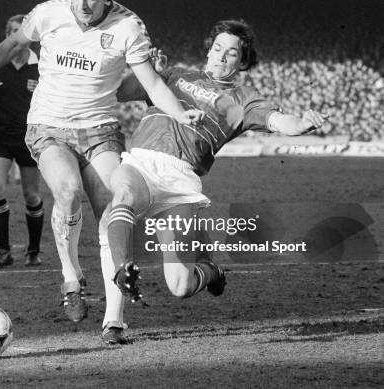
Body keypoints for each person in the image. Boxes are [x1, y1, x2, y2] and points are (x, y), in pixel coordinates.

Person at [0, 0, 203, 343]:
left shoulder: (128, 26)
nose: (81, 5)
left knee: (115, 209)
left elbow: (152, 83)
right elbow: (9, 47)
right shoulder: (48, 13)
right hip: (49, 127)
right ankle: (71, 280)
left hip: (100, 130)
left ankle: (114, 320)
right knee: (68, 191)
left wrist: (179, 113)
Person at [107, 19, 328, 311]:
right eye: (218, 47)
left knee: (180, 286)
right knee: (122, 194)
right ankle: (123, 268)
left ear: (243, 62)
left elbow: (278, 121)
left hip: (180, 180)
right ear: (209, 49)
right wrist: (152, 71)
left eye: (232, 53)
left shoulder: (243, 100)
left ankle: (212, 271)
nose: (221, 56)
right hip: (142, 162)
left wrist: (300, 124)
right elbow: (122, 92)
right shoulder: (174, 75)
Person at [0, 14, 44, 268]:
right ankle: (3, 250)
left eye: (21, 30)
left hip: (29, 139)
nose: (16, 35)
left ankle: (33, 250)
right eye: (12, 31)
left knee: (31, 195)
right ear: (6, 36)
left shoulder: (42, 67)